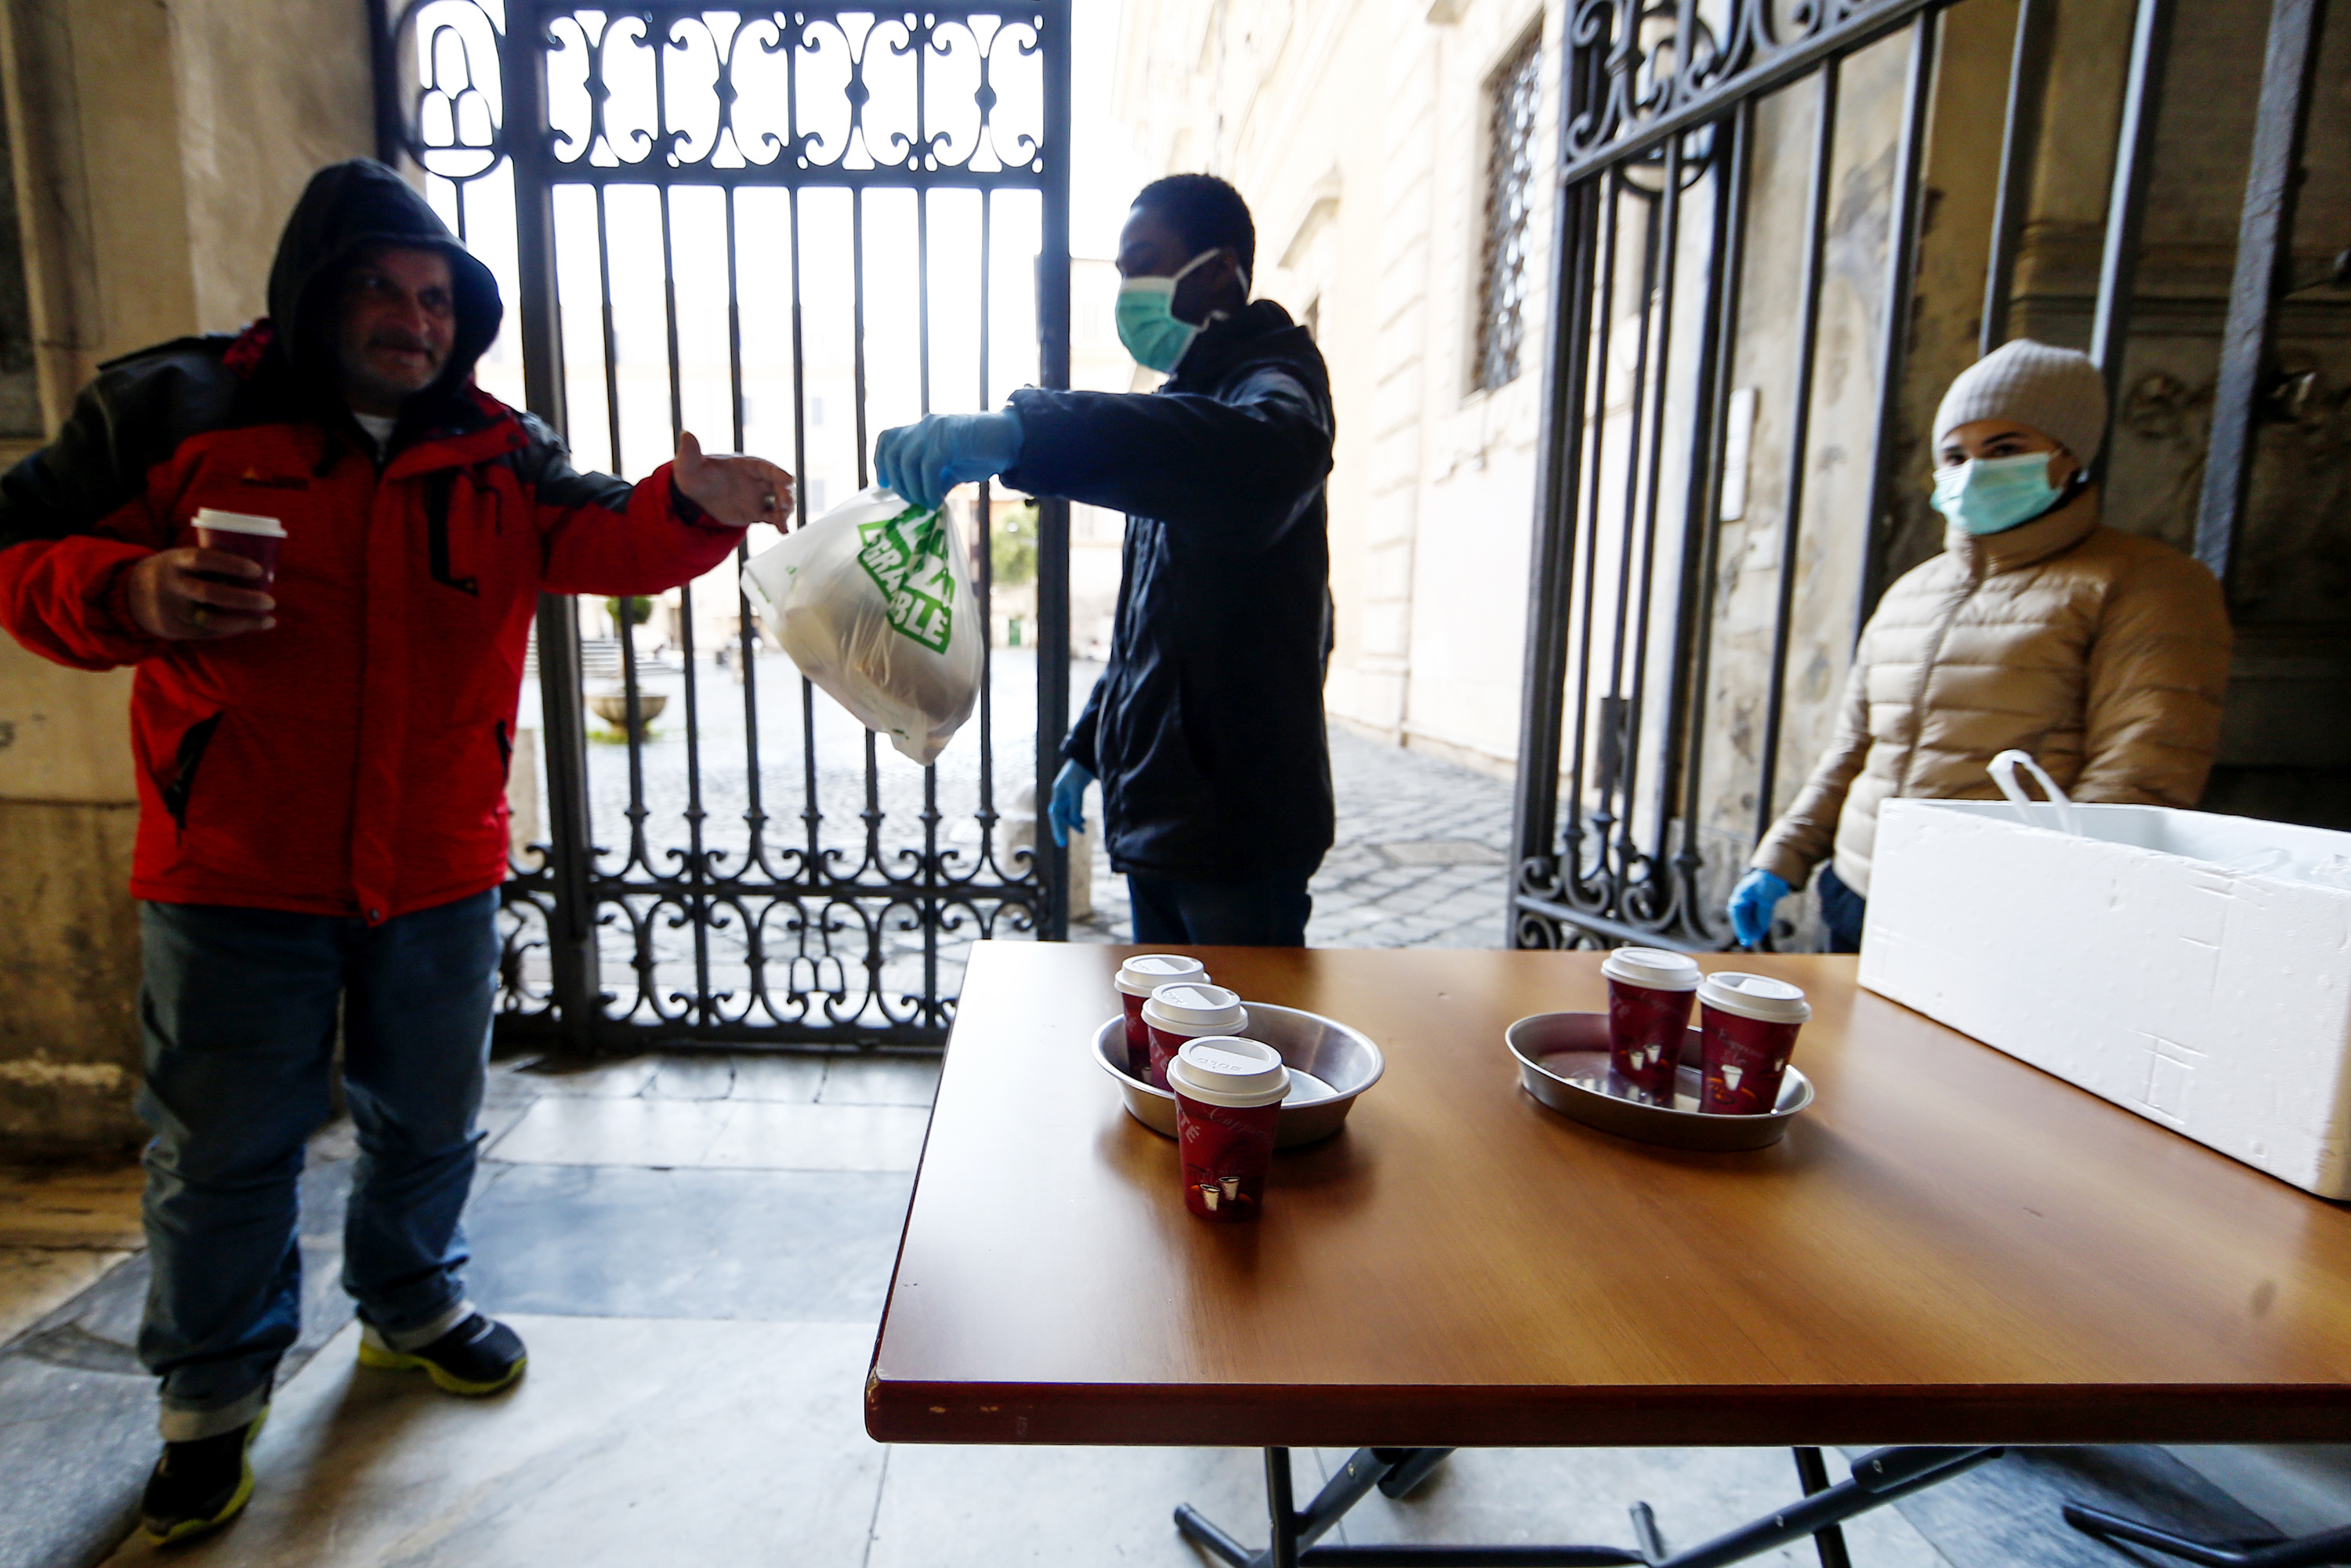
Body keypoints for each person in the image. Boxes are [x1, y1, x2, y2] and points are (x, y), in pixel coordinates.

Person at [0, 161, 793, 1542]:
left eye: (435, 296)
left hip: (436, 864)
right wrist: (129, 589)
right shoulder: (175, 407)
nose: (412, 317)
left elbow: (605, 535)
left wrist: (699, 505)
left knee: (428, 1114)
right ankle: (209, 1398)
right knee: (224, 1150)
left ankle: (413, 1299)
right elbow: (19, 549)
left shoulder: (498, 445)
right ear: (314, 290)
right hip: (234, 863)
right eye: (379, 283)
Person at [873, 174, 1335, 945]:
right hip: (1159, 825)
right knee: (1164, 1053)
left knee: (1241, 1057)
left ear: (1218, 271)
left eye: (1142, 263)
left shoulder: (1274, 382)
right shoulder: (1186, 399)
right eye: (1121, 271)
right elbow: (1152, 624)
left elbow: (1261, 467)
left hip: (1238, 837)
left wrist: (1025, 435)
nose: (1127, 290)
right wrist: (1090, 748)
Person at [1728, 339, 2230, 953]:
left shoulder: (2144, 584)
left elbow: (2141, 768)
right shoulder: (1914, 591)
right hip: (1858, 895)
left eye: (2005, 449)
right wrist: (1781, 857)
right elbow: (1855, 748)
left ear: (2069, 456)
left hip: (1996, 913)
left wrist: (2061, 898)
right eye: (1955, 455)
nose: (1974, 472)